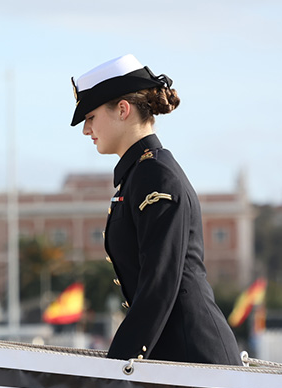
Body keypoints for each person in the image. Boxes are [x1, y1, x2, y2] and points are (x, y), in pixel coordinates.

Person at [71, 54, 241, 365]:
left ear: (123, 110)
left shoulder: (154, 175)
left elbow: (158, 284)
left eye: (91, 117)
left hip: (194, 361)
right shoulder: (139, 173)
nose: (86, 130)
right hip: (174, 361)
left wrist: (117, 365)